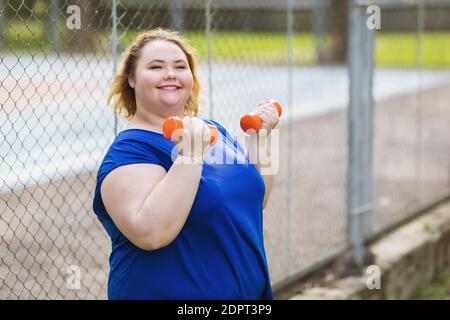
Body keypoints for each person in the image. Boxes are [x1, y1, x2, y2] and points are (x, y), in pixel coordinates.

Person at [92, 28, 280, 300]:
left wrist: (260, 137)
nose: (170, 73)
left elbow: (257, 195)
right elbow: (151, 233)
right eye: (156, 66)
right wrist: (190, 156)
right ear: (131, 78)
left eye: (180, 66)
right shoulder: (129, 153)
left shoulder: (212, 130)